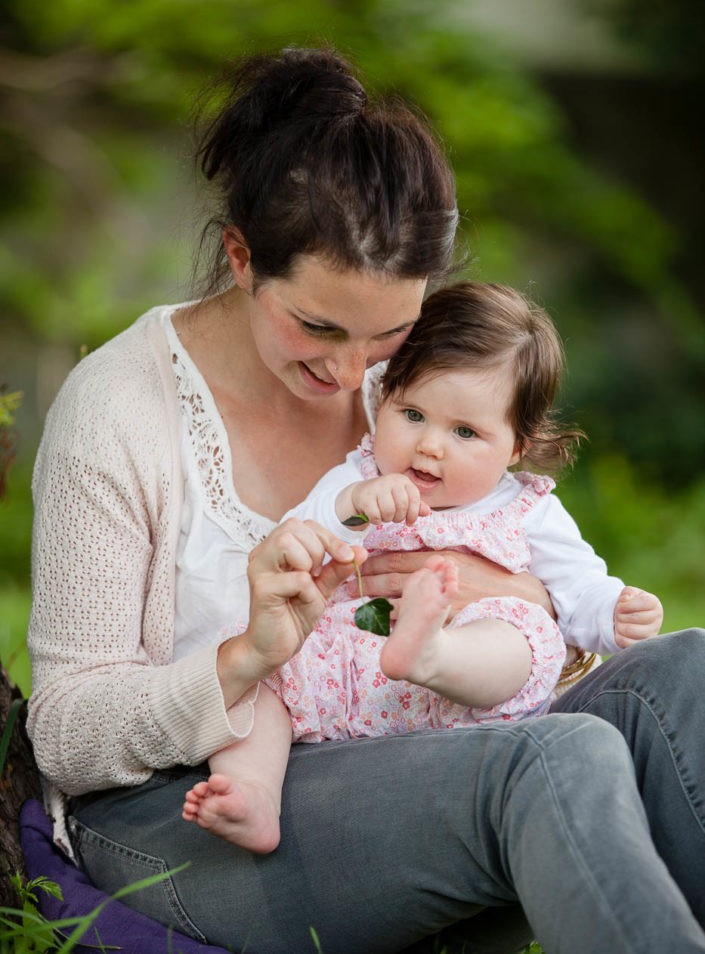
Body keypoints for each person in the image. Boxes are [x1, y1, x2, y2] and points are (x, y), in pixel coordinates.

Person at [27, 47, 705, 954]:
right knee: (556, 758)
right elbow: (66, 733)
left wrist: (521, 594)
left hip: (406, 734)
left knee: (685, 672)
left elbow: (520, 559)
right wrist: (243, 656)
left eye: (387, 334)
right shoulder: (117, 412)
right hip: (188, 805)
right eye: (316, 327)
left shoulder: (413, 389)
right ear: (240, 256)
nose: (353, 373)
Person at [181, 280, 663, 852]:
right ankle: (253, 793)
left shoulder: (526, 509)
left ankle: (431, 651)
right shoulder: (357, 479)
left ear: (515, 446)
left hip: (457, 691)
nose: (430, 446)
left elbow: (577, 586)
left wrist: (612, 612)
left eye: (464, 432)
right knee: (257, 678)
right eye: (412, 413)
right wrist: (351, 508)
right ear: (384, 400)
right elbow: (300, 536)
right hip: (345, 674)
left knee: (524, 632)